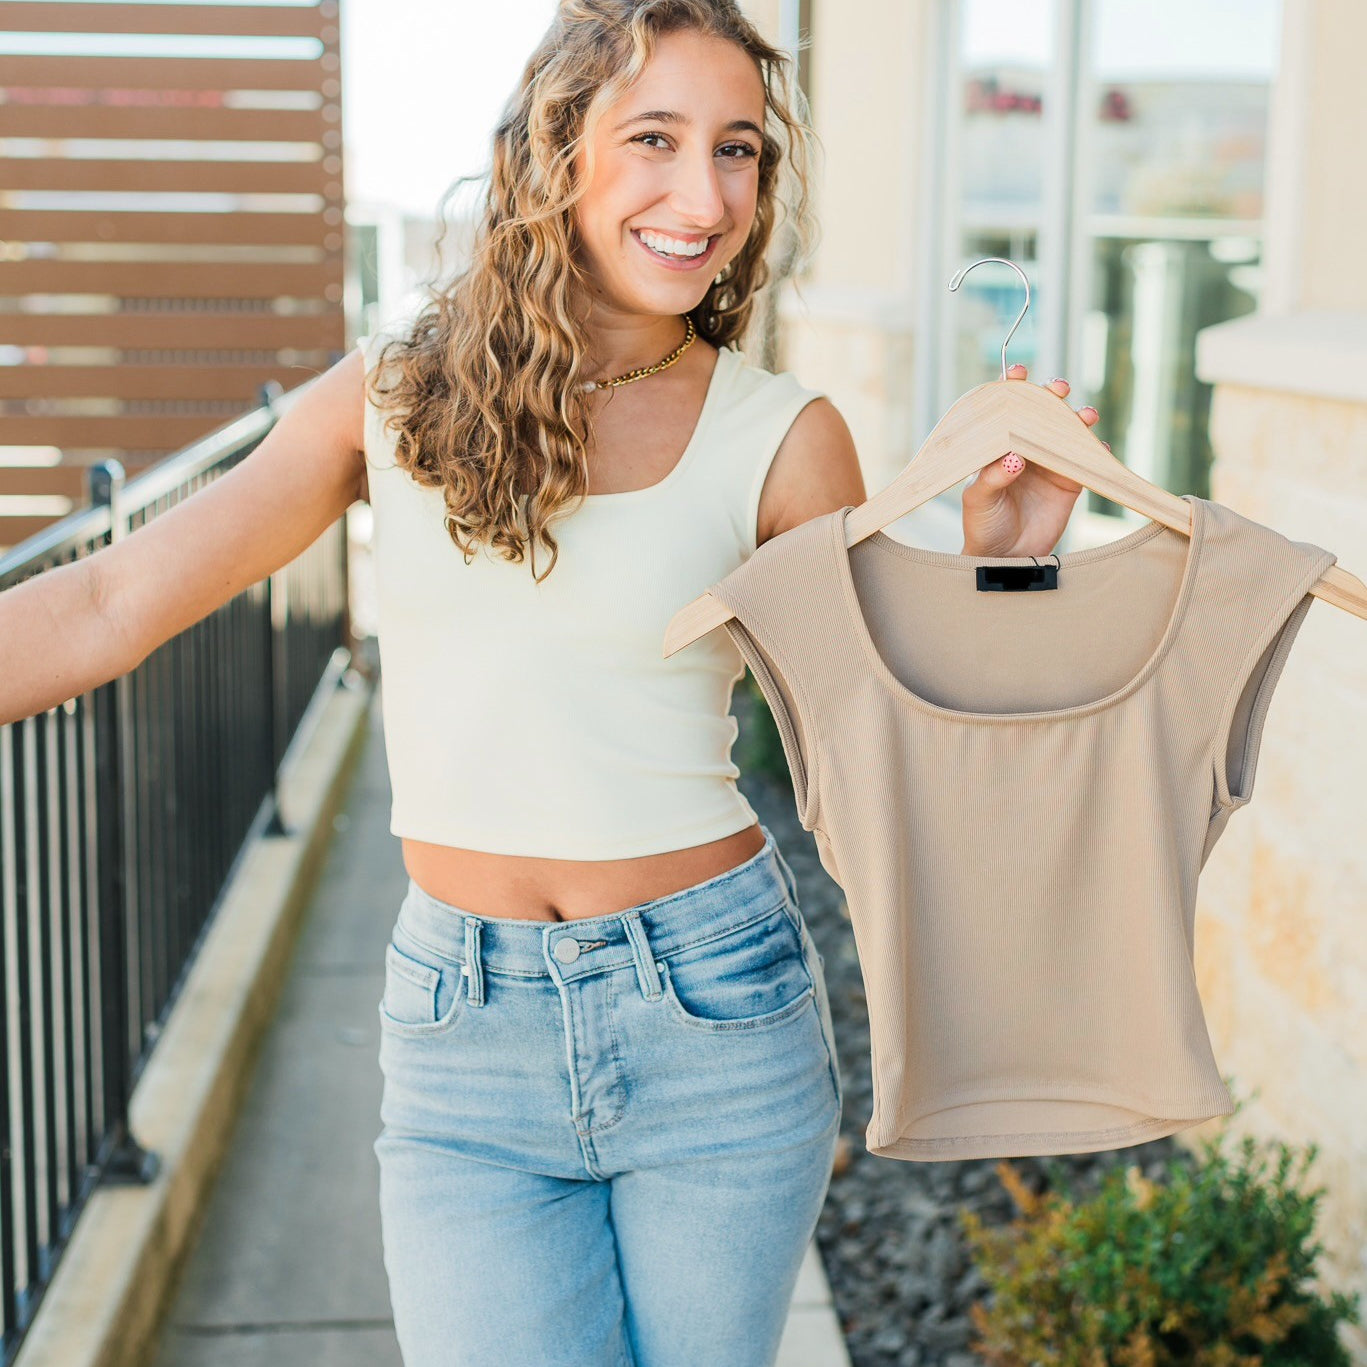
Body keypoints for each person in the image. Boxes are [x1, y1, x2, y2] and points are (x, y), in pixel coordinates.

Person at [0, 2, 1104, 1363]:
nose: (704, 196)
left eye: (740, 151)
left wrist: (1002, 570)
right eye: (656, 138)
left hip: (715, 1015)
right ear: (556, 147)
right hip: (463, 1039)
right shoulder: (389, 399)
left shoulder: (781, 435)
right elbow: (113, 596)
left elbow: (902, 746)